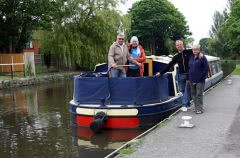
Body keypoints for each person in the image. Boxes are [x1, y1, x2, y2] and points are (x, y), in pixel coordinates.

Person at [156, 40, 193, 111]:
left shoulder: (189, 52)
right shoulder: (176, 56)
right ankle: (188, 104)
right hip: (181, 75)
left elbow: (197, 52)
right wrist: (161, 73)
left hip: (189, 74)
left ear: (183, 45)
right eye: (178, 45)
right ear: (176, 47)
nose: (179, 46)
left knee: (186, 90)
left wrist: (201, 54)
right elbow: (169, 65)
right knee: (182, 90)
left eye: (180, 44)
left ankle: (185, 105)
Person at [189, 44, 208, 114]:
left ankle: (200, 109)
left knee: (199, 94)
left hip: (200, 80)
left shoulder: (202, 57)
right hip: (192, 79)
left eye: (196, 49)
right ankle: (196, 107)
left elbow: (206, 68)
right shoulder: (191, 57)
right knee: (193, 94)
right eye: (194, 50)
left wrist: (201, 77)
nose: (195, 51)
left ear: (199, 50)